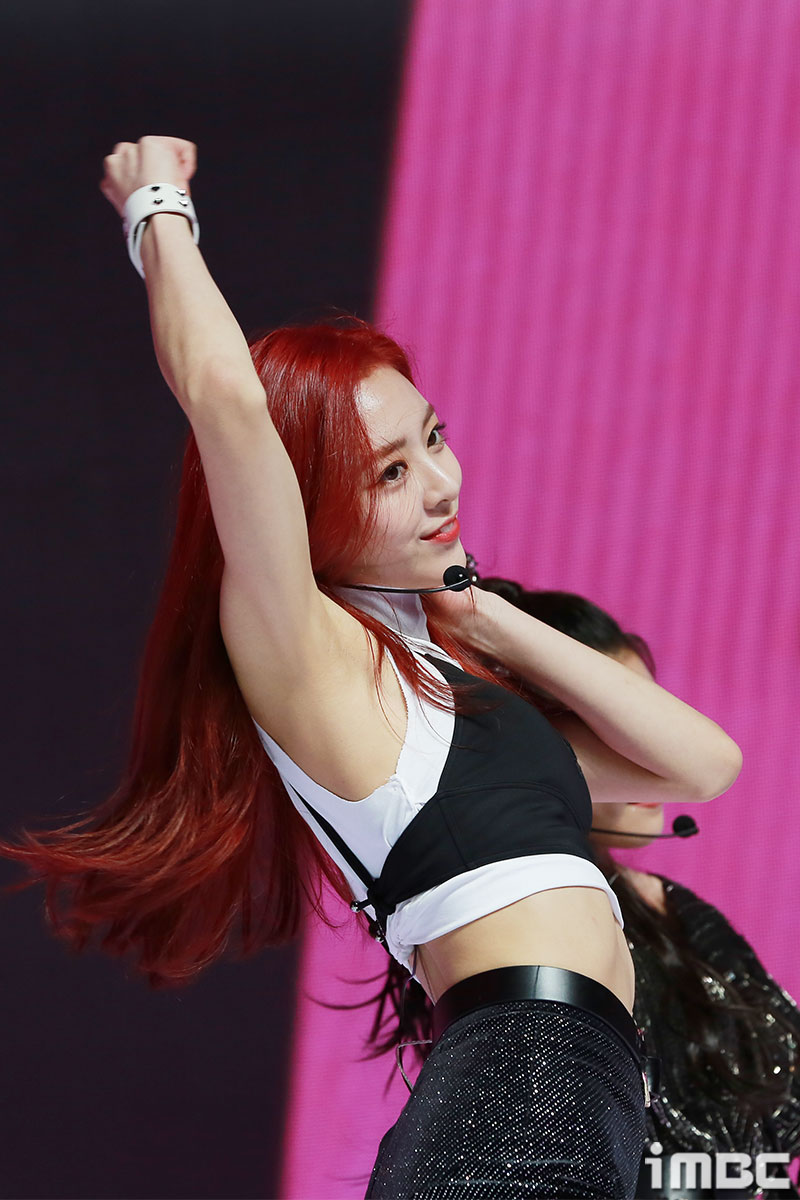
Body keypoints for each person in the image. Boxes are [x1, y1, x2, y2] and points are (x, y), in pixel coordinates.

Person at [1, 137, 743, 1200]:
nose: (439, 484)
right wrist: (155, 204)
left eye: (433, 438)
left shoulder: (452, 687)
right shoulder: (312, 652)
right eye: (390, 473)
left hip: (572, 1090)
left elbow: (698, 766)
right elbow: (224, 397)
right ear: (305, 507)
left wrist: (491, 620)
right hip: (522, 1089)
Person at [366, 582, 798, 1199]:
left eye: (646, 711)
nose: (647, 751)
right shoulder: (507, 919)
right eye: (614, 721)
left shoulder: (678, 910)